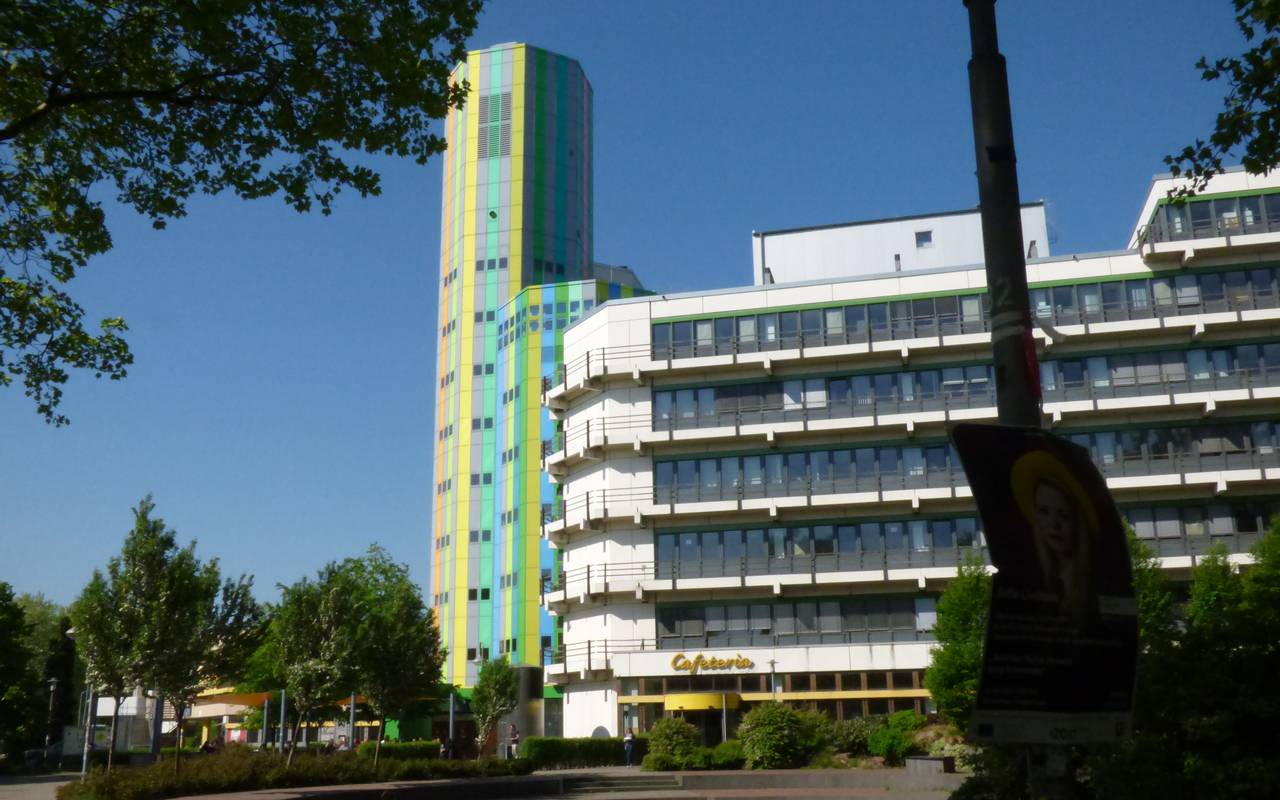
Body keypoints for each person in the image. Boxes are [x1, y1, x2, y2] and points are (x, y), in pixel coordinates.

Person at [1011, 450, 1098, 625]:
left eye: (1064, 515)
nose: (1054, 524)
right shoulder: (1033, 582)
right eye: (1044, 512)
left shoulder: (1095, 584)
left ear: (1077, 523)